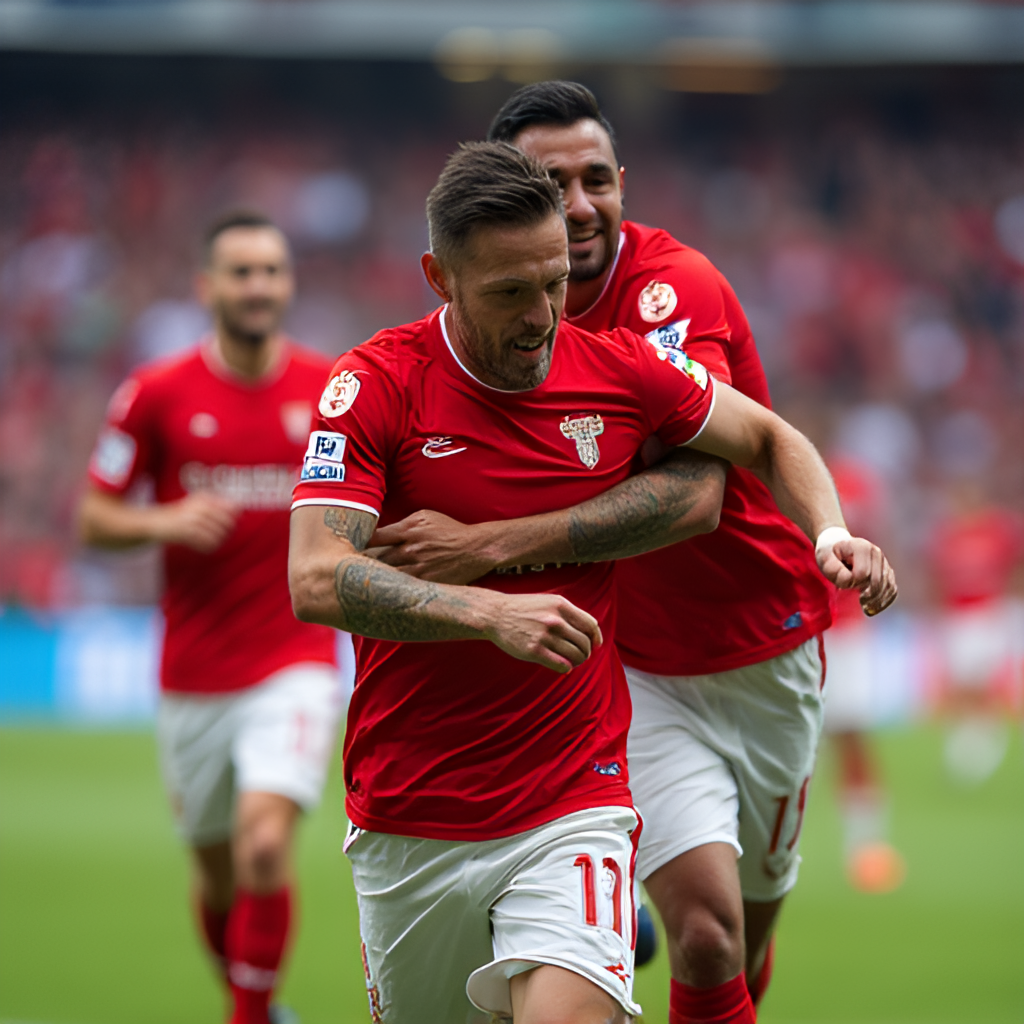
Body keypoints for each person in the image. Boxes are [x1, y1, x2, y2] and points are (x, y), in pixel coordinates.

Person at [287, 141, 895, 1024]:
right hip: (410, 809)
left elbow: (770, 439)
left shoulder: (617, 367)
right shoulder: (372, 385)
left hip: (576, 796)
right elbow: (314, 575)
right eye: (508, 292)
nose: (540, 316)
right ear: (439, 276)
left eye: (553, 283)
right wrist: (485, 611)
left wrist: (832, 531)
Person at [78, 211, 346, 1024]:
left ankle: (245, 1017)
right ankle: (258, 1003)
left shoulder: (328, 390)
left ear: (288, 283)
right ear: (207, 287)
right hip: (192, 673)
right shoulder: (155, 394)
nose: (258, 286)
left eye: (271, 271)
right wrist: (165, 521)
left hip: (294, 659)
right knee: (218, 875)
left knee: (264, 844)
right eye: (241, 272)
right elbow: (94, 519)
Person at [822, 456, 905, 893]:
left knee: (851, 736)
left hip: (846, 632)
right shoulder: (774, 477)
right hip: (794, 629)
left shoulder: (856, 480)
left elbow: (879, 540)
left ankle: (865, 845)